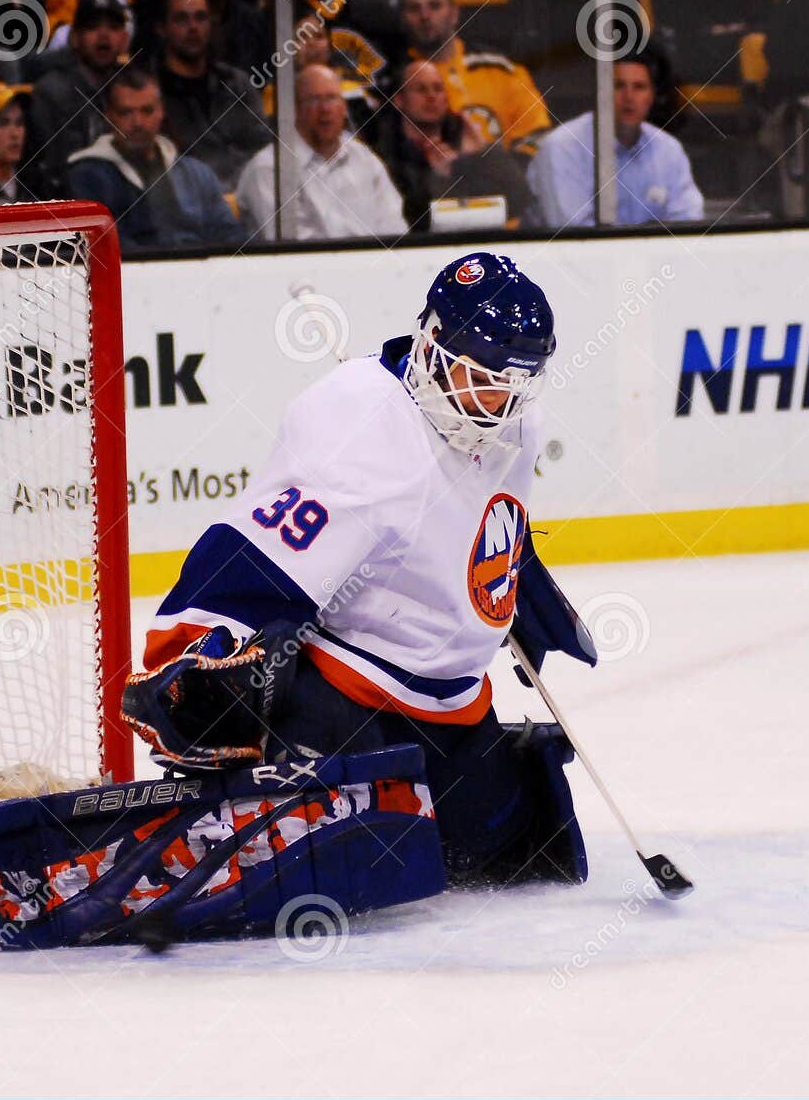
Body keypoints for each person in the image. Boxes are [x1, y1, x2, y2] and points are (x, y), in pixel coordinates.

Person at [132, 249, 590, 892]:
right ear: (433, 346)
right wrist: (189, 658)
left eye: (514, 385)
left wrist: (520, 585)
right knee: (371, 856)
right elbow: (257, 555)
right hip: (349, 691)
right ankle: (254, 784)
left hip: (454, 700)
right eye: (482, 378)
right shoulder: (355, 425)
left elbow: (480, 517)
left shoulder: (513, 421)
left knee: (507, 851)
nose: (497, 404)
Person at [65, 65, 241, 254]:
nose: (138, 123)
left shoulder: (196, 173)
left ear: (161, 112)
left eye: (147, 111)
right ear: (108, 117)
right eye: (126, 112)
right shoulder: (86, 176)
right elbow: (106, 251)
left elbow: (231, 237)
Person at [237, 63, 408, 242]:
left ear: (343, 108)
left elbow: (394, 228)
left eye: (332, 98)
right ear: (294, 110)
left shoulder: (364, 158)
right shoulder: (269, 169)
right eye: (314, 100)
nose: (325, 109)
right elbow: (295, 249)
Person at [527, 55, 705, 227]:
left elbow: (688, 222)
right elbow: (575, 237)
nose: (629, 97)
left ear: (651, 97)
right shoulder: (562, 147)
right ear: (601, 93)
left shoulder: (668, 149)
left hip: (651, 256)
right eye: (618, 86)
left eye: (639, 87)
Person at [394, 0, 551, 156]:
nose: (425, 16)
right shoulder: (397, 81)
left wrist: (507, 176)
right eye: (415, 9)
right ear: (403, 19)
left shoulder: (500, 70)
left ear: (453, 14)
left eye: (435, 6)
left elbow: (536, 135)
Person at [373, 59, 530, 230]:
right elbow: (408, 220)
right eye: (421, 89)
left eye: (438, 89)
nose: (431, 96)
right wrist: (441, 178)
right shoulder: (383, 153)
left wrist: (482, 153)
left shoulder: (465, 141)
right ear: (399, 100)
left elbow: (518, 200)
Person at [153, 0, 268, 186]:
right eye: (181, 19)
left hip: (249, 195)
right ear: (162, 29)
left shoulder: (236, 82)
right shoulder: (151, 91)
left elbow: (263, 146)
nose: (193, 27)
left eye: (200, 18)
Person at [23, 0, 129, 195]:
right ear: (74, 37)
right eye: (92, 26)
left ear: (125, 38)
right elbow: (55, 173)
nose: (104, 35)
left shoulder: (130, 87)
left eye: (113, 27)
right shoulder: (51, 92)